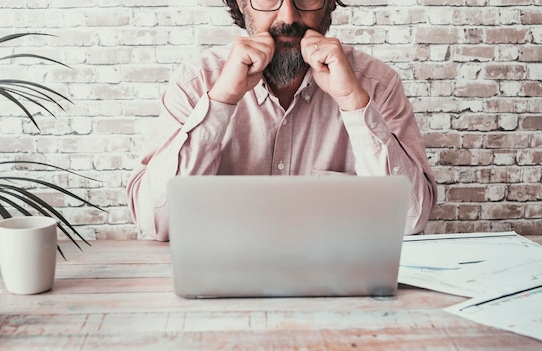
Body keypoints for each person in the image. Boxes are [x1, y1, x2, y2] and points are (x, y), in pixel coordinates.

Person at [126, 0, 437, 241]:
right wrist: (220, 102)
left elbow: (410, 221)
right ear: (242, 4)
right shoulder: (196, 83)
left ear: (329, 3)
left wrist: (354, 104)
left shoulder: (376, 85)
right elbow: (156, 223)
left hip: (339, 298)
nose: (288, 17)